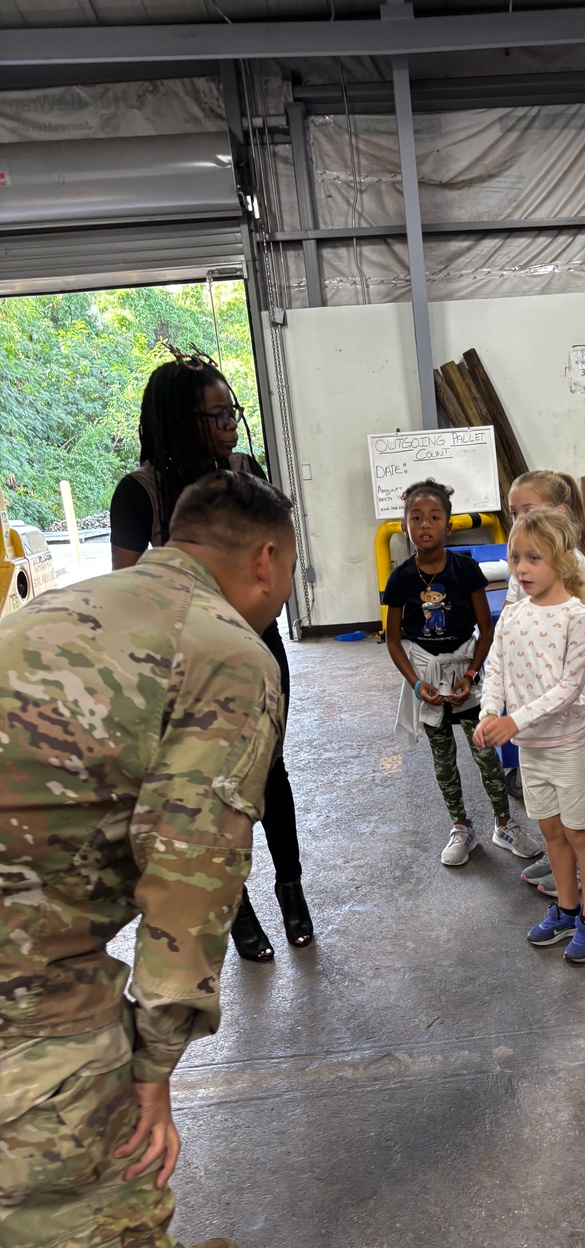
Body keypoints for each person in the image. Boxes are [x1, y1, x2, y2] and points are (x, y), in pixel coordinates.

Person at [0, 470, 294, 1248]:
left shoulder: (76, 603)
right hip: (23, 958)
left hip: (33, 915)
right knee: (77, 1137)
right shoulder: (227, 651)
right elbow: (191, 874)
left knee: (89, 1102)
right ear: (266, 560)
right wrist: (155, 1063)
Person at [109, 349, 311, 961]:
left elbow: (275, 553)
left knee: (268, 771)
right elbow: (134, 596)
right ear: (179, 420)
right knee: (209, 787)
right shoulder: (140, 493)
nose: (230, 423)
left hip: (258, 647)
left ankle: (292, 889)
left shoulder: (245, 474)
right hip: (186, 666)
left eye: (233, 411)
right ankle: (238, 911)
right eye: (216, 414)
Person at [475, 510, 585, 963]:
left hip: (567, 747)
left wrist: (515, 721)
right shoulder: (512, 615)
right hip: (531, 751)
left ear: (562, 560)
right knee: (551, 830)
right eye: (516, 558)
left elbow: (568, 688)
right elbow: (495, 667)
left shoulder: (577, 617)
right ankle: (567, 908)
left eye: (534, 558)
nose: (522, 569)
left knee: (579, 833)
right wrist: (491, 710)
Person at [383, 478, 539, 867]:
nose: (425, 525)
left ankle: (504, 824)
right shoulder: (401, 578)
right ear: (405, 524)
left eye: (434, 517)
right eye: (415, 517)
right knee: (443, 757)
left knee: (485, 751)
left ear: (448, 526)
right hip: (426, 673)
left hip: (466, 671)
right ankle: (460, 827)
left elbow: (486, 631)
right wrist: (418, 684)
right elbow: (392, 640)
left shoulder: (466, 570)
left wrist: (470, 675)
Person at [503, 470, 585, 896]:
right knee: (549, 816)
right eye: (514, 513)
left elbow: (566, 678)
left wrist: (514, 717)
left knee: (575, 821)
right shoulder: (522, 564)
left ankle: (575, 881)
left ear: (558, 514)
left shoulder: (573, 583)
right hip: (531, 720)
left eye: (529, 511)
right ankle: (559, 866)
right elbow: (508, 628)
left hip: (557, 712)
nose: (520, 519)